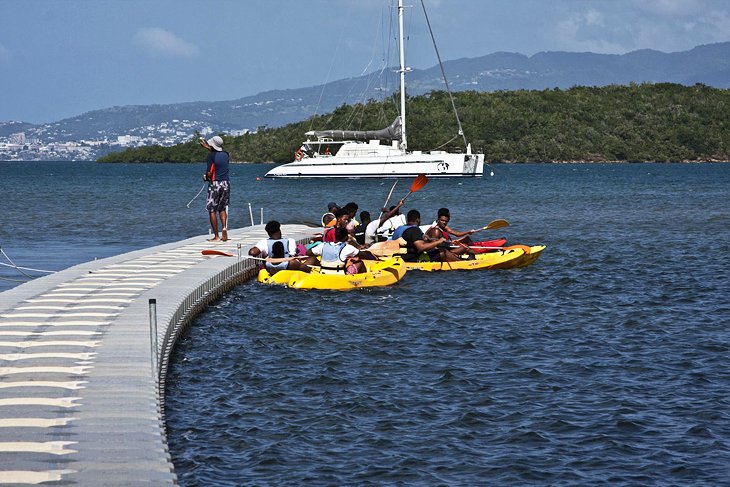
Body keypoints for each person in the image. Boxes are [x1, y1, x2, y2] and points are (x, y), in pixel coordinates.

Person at [200, 135, 230, 242]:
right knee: (222, 208)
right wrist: (207, 147)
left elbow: (209, 173)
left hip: (215, 184)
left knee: (212, 209)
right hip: (226, 183)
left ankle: (216, 236)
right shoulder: (226, 155)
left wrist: (206, 177)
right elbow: (217, 153)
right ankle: (224, 228)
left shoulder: (211, 157)